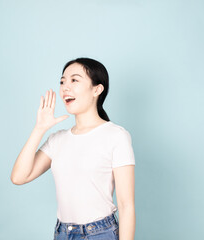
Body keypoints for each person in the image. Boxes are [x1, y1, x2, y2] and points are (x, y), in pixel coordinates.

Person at [10, 57, 136, 240]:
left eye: (74, 80)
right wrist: (40, 128)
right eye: (62, 81)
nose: (65, 87)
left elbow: (126, 206)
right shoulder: (57, 139)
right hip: (62, 233)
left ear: (97, 89)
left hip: (100, 233)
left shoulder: (116, 136)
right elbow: (19, 177)